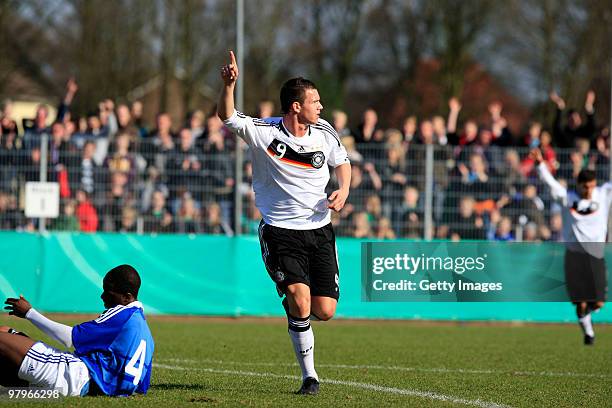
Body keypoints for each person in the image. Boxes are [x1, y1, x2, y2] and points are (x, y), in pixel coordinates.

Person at [217, 51, 350, 395]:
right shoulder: (264, 131)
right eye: (315, 101)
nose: (320, 107)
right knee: (300, 299)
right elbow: (228, 117)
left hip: (320, 230)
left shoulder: (323, 132)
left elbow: (342, 161)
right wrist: (230, 86)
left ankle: (294, 304)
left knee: (325, 310)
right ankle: (310, 377)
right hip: (280, 231)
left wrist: (344, 189)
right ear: (295, 106)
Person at [0, 264, 154, 396]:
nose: (102, 296)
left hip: (74, 376)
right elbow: (141, 387)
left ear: (127, 297)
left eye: (108, 290)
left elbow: (69, 338)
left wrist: (29, 313)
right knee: (5, 331)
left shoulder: (124, 314)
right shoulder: (146, 335)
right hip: (81, 385)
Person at [531, 148, 612, 345]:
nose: (589, 191)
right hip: (575, 256)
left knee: (599, 302)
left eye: (592, 186)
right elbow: (550, 183)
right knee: (580, 301)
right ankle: (589, 333)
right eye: (585, 187)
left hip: (595, 255)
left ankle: (588, 316)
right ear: (579, 185)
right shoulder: (568, 197)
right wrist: (540, 164)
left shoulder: (603, 194)